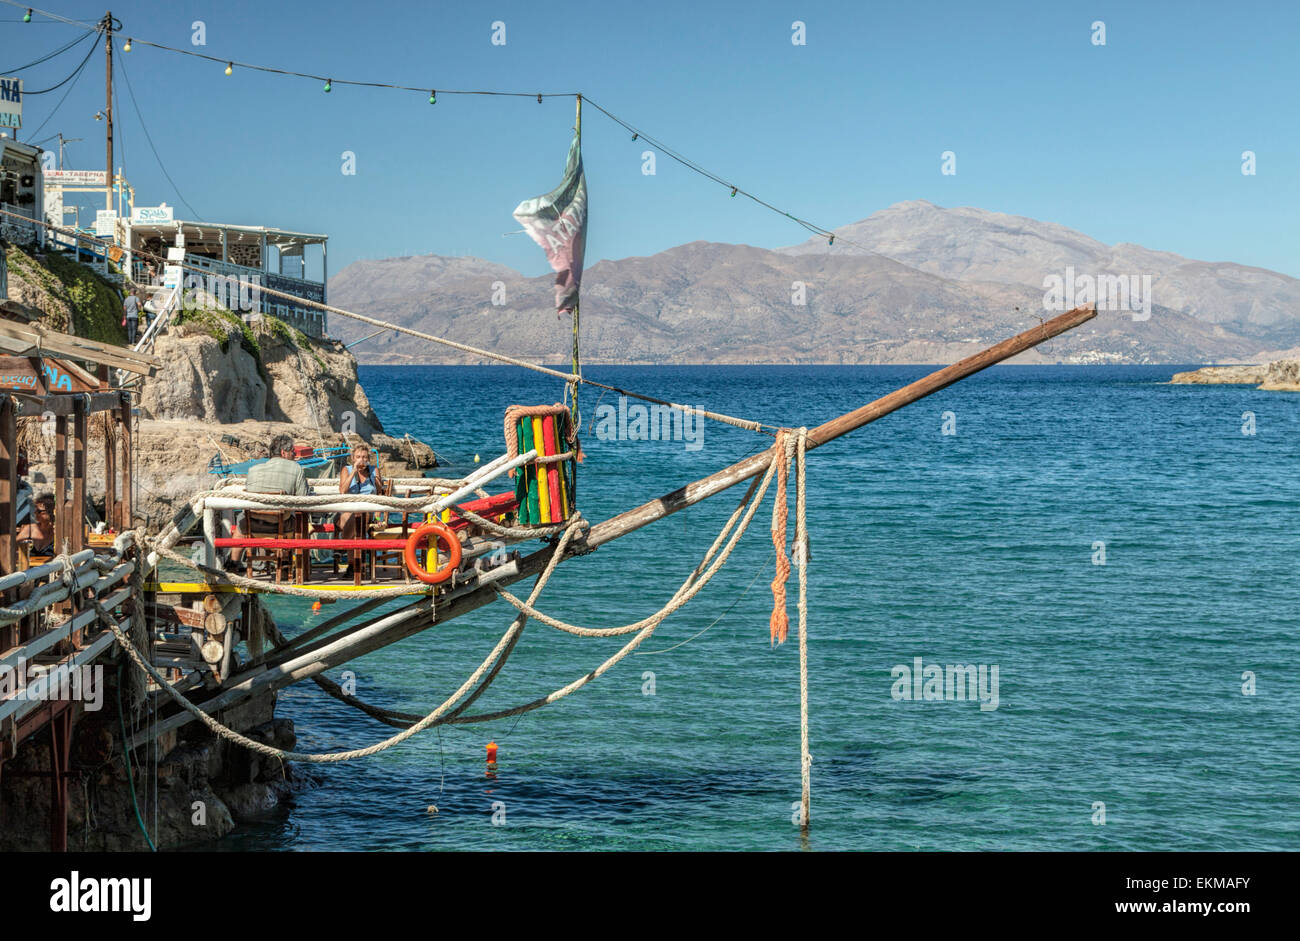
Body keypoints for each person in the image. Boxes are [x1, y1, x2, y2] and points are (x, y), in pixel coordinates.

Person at [227, 434, 308, 568]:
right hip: (280, 527)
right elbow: (302, 500)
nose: (295, 455)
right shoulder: (296, 469)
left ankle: (233, 563)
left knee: (242, 518)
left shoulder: (253, 470)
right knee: (296, 519)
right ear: (284, 452)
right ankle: (286, 564)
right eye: (293, 451)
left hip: (252, 526)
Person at [337, 444, 383, 540]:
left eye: (364, 457)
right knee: (351, 517)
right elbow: (342, 491)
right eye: (358, 457)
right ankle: (351, 547)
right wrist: (354, 471)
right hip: (348, 509)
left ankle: (343, 546)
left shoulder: (373, 470)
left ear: (368, 459)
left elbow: (380, 494)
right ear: (353, 459)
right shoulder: (347, 470)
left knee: (362, 515)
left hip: (367, 511)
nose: (361, 460)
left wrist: (378, 518)